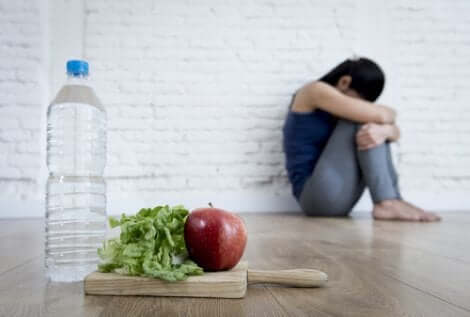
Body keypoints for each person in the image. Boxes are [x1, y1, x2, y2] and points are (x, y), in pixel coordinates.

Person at [282, 57, 441, 221]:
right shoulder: (313, 91)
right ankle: (386, 202)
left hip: (340, 197)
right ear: (344, 82)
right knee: (368, 121)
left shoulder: (339, 105)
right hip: (314, 197)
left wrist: (385, 131)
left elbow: (393, 130)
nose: (359, 107)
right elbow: (380, 114)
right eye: (359, 102)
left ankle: (392, 199)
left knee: (375, 128)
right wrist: (385, 123)